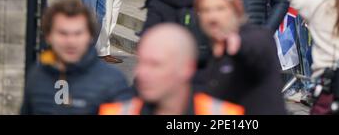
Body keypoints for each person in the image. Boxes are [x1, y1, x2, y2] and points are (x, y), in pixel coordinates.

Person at [99, 23, 244, 115]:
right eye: (141, 62)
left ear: (187, 68)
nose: (141, 73)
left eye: (155, 64)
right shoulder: (115, 111)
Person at [21, 0, 133, 114]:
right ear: (48, 36)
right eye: (63, 33)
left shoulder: (112, 82)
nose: (71, 41)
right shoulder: (36, 75)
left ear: (90, 36)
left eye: (78, 33)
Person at [195, 0, 287, 114]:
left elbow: (258, 49)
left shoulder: (256, 38)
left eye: (220, 8)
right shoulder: (208, 51)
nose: (212, 17)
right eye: (205, 10)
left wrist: (238, 44)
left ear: (235, 11)